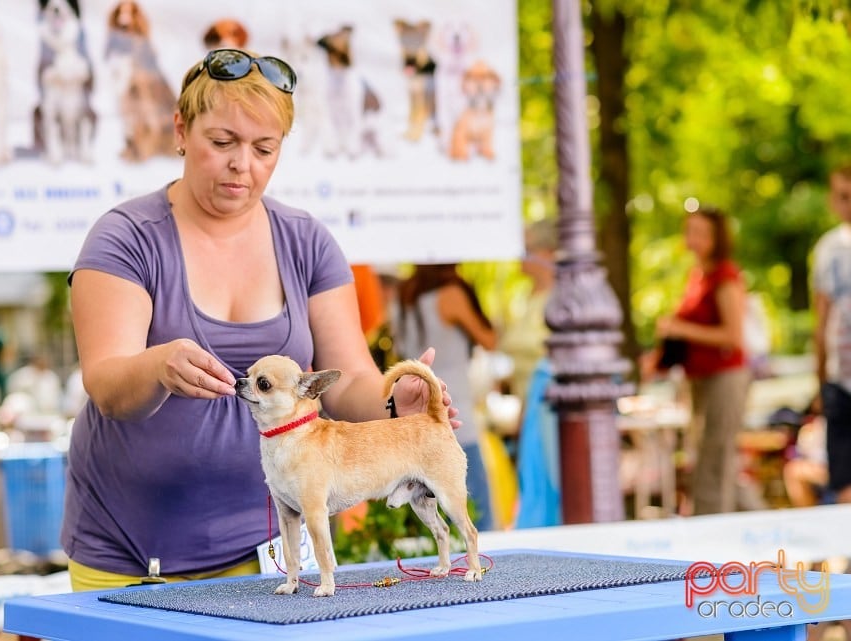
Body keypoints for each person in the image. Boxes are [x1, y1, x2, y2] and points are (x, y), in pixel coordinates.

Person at [63, 48, 458, 591]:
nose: (241, 164)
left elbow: (349, 382)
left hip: (269, 553)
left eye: (263, 148)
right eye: (222, 142)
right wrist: (157, 366)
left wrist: (394, 404)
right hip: (132, 557)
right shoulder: (124, 237)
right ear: (180, 129)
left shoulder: (308, 242)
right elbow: (105, 385)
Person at [654, 206, 750, 515]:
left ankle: (713, 543)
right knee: (705, 457)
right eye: (689, 231)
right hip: (698, 378)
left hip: (724, 377)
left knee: (715, 457)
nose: (691, 239)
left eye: (700, 233)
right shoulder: (697, 276)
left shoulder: (725, 276)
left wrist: (681, 329)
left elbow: (732, 336)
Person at [395, 263, 497, 530]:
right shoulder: (451, 295)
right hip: (455, 417)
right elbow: (490, 340)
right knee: (478, 519)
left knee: (432, 519)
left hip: (416, 423)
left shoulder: (404, 296)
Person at [812, 164, 851, 505]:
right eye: (842, 196)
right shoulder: (828, 250)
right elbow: (820, 319)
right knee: (841, 478)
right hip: (841, 380)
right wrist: (821, 379)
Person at [498, 218, 557, 403]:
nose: (519, 256)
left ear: (548, 253)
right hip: (527, 405)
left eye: (527, 249)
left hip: (547, 406)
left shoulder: (561, 300)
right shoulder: (526, 297)